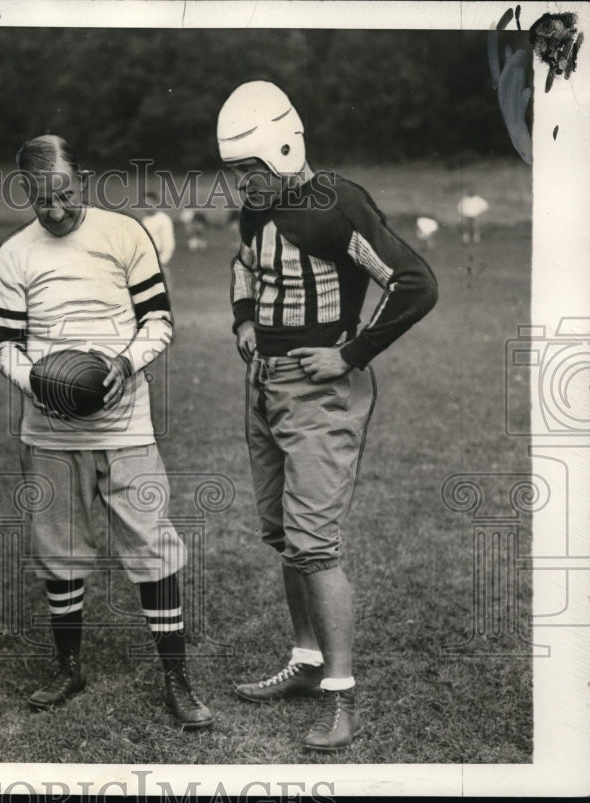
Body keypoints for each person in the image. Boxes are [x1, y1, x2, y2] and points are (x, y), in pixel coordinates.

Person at [217, 81, 438, 750]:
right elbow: (245, 271)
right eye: (236, 173)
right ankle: (307, 661)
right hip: (266, 385)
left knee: (314, 543)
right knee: (287, 535)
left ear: (283, 149)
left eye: (250, 168)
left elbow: (414, 281)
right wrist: (246, 322)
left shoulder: (336, 203)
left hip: (322, 394)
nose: (243, 184)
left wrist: (350, 353)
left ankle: (340, 693)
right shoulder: (257, 212)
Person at [0, 134, 214, 730]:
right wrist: (39, 383)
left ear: (81, 181)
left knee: (151, 544)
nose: (56, 210)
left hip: (126, 423)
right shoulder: (14, 254)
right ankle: (68, 665)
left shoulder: (125, 234)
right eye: (42, 201)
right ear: (26, 194)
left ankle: (175, 675)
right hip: (50, 432)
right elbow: (5, 347)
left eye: (64, 195)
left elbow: (160, 320)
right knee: (58, 551)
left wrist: (122, 364)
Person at [141, 190, 176, 271]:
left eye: (148, 203)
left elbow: (169, 245)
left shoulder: (164, 219)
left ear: (155, 203)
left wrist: (162, 263)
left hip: (160, 264)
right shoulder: (145, 220)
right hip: (146, 263)